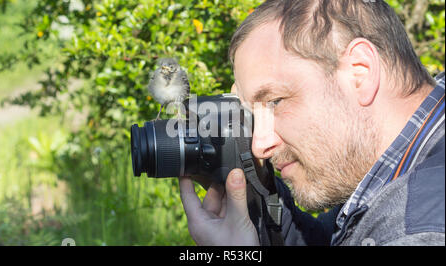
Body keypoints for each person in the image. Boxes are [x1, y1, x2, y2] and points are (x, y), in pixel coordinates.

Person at [179, 0, 445, 246]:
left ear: (359, 73)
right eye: (252, 114)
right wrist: (258, 206)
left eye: (275, 102)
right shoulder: (389, 175)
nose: (259, 146)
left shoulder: (419, 232)